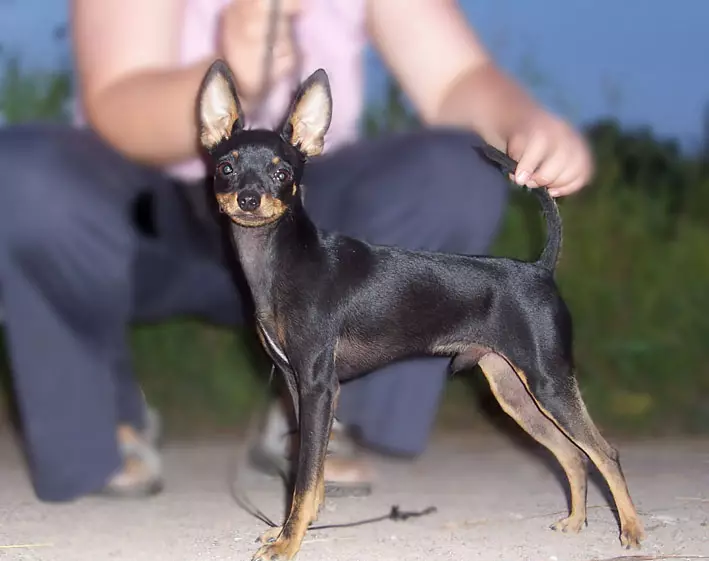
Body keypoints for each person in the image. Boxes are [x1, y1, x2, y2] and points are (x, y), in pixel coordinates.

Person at [0, 0, 593, 502]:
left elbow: (458, 78)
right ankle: (94, 421)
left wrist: (523, 121)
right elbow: (115, 104)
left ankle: (325, 410)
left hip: (312, 224)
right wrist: (228, 74)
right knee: (22, 174)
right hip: (146, 210)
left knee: (451, 171)